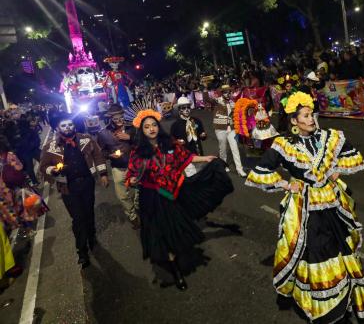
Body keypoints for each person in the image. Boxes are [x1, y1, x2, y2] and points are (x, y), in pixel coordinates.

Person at [245, 92, 364, 323]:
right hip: (304, 207)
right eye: (305, 116)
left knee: (339, 247)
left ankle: (341, 295)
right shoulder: (283, 144)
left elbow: (352, 156)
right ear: (294, 121)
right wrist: (286, 184)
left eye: (312, 114)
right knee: (315, 250)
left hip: (331, 202)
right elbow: (260, 171)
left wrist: (337, 170)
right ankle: (322, 303)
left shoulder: (329, 137)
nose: (311, 119)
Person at [126, 109, 233, 290]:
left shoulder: (169, 143)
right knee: (163, 234)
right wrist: (133, 180)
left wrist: (205, 158)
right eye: (147, 127)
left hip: (171, 194)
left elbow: (186, 157)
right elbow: (131, 175)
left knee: (175, 230)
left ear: (158, 127)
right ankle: (176, 273)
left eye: (153, 125)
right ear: (141, 131)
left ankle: (176, 257)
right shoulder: (137, 152)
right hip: (152, 198)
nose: (151, 129)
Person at [39, 113, 109, 268]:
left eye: (70, 124)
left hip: (87, 183)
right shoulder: (50, 146)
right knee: (78, 219)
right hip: (68, 188)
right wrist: (53, 170)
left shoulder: (85, 139)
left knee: (89, 213)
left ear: (74, 126)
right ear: (58, 128)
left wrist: (103, 174)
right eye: (63, 125)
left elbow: (98, 155)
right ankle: (82, 252)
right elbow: (43, 167)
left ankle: (92, 238)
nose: (67, 127)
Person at [96, 104, 139, 229]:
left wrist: (130, 137)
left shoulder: (133, 128)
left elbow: (144, 142)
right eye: (116, 119)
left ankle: (137, 205)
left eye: (121, 117)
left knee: (139, 191)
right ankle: (132, 216)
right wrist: (110, 155)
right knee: (123, 196)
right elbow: (101, 153)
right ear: (110, 118)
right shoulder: (103, 133)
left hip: (136, 166)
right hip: (118, 168)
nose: (120, 121)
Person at [204, 85, 246, 177]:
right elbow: (207, 99)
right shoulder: (217, 101)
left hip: (231, 129)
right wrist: (205, 89)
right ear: (222, 93)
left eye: (229, 92)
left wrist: (235, 108)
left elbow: (237, 113)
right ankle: (223, 165)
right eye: (225, 92)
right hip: (220, 129)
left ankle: (240, 170)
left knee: (235, 148)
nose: (228, 94)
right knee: (222, 149)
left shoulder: (232, 102)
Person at [171, 96, 208, 176]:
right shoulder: (175, 125)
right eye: (183, 108)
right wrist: (177, 142)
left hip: (199, 154)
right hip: (186, 157)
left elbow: (203, 136)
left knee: (203, 176)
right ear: (179, 109)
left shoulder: (196, 121)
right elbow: (171, 142)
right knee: (192, 178)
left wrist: (203, 135)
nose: (186, 110)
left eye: (188, 107)